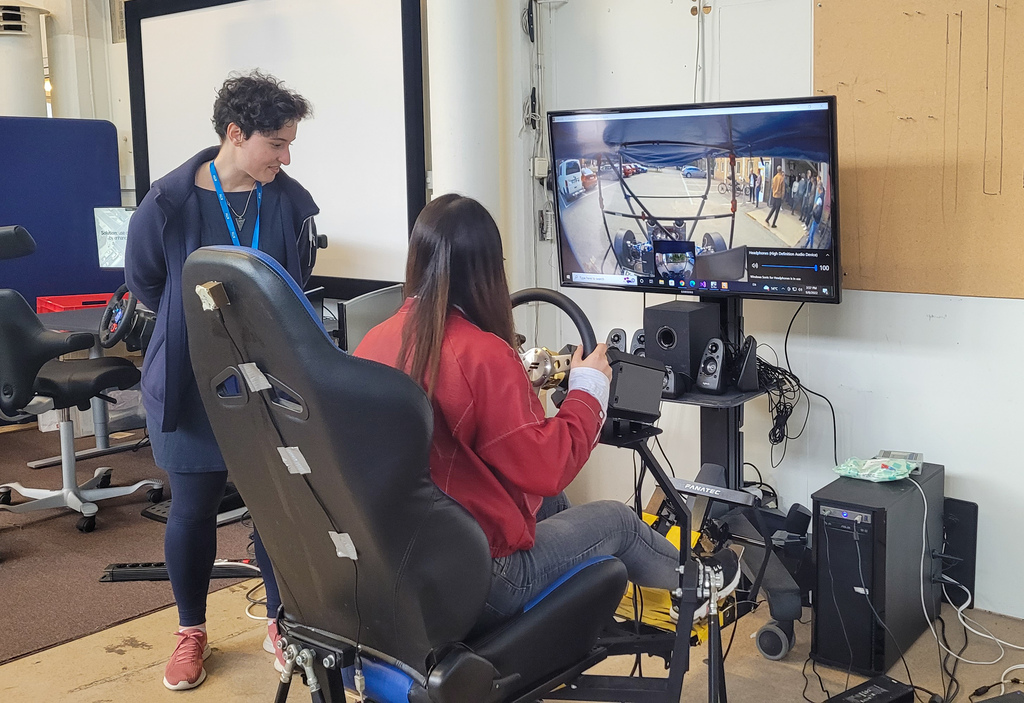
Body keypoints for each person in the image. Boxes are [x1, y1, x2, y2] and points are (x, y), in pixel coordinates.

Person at [354, 194, 736, 629]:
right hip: (487, 579)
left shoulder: (376, 340)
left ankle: (574, 608)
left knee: (552, 503)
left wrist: (517, 388)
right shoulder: (482, 354)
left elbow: (455, 430)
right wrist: (588, 389)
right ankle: (703, 583)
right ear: (487, 270)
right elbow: (547, 466)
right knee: (618, 521)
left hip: (413, 566)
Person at [125, 71, 320, 691]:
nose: (285, 157)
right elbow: (147, 284)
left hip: (268, 378)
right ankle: (191, 631)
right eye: (276, 145)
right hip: (190, 376)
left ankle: (281, 620)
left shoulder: (287, 199)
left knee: (274, 507)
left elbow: (294, 278)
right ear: (235, 135)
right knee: (193, 508)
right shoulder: (168, 203)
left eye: (289, 144)